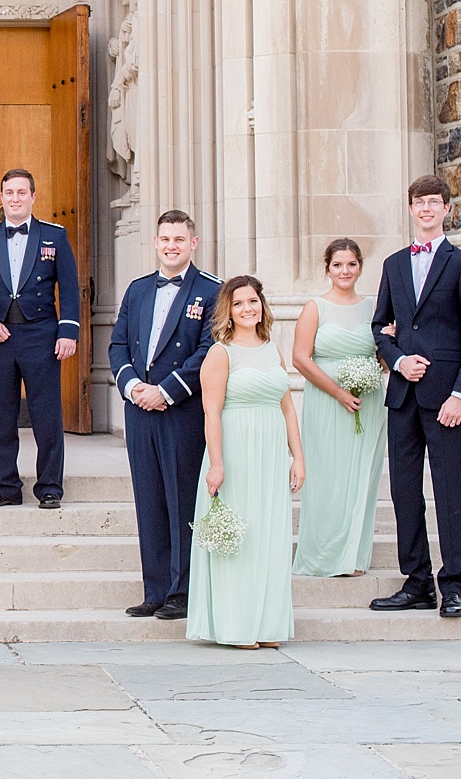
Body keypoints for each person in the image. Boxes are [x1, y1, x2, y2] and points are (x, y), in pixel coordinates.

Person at [370, 175, 461, 620]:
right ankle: (416, 582)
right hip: (403, 396)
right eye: (419, 202)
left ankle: (453, 584)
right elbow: (379, 327)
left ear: (445, 209)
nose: (426, 209)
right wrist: (398, 361)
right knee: (405, 492)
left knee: (449, 492)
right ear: (410, 208)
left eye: (433, 202)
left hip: (446, 402)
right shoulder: (394, 264)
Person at [108, 209, 221, 620]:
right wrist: (133, 386)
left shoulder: (211, 290)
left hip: (181, 411)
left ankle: (182, 589)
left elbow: (208, 351)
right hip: (140, 409)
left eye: (179, 239)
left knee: (181, 499)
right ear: (155, 243)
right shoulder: (138, 289)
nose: (171, 246)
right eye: (165, 239)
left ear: (193, 243)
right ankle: (154, 588)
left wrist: (166, 392)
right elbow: (118, 344)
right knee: (149, 499)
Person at [185, 276, 304, 648]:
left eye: (252, 301)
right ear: (228, 310)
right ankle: (237, 627)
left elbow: (286, 407)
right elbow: (211, 413)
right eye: (238, 303)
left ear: (262, 305)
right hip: (236, 450)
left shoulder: (272, 349)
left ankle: (266, 626)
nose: (247, 308)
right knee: (241, 539)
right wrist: (216, 464)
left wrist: (298, 457)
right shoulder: (220, 353)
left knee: (269, 537)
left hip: (269, 455)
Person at [0, 168, 81, 510]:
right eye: (9, 193)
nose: (15, 199)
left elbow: (70, 288)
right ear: (1, 198)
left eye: (21, 192)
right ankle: (5, 486)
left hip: (42, 335)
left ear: (33, 197)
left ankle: (49, 487)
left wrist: (68, 331)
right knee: (1, 414)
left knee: (47, 415)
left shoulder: (54, 235)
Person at [292, 238, 386, 579]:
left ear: (360, 267)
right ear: (327, 268)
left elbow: (382, 360)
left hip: (368, 401)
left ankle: (353, 556)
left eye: (351, 264)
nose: (344, 271)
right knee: (328, 477)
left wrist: (388, 347)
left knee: (361, 476)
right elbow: (300, 359)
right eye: (337, 265)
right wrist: (339, 392)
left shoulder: (375, 308)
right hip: (328, 402)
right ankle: (324, 555)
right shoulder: (315, 307)